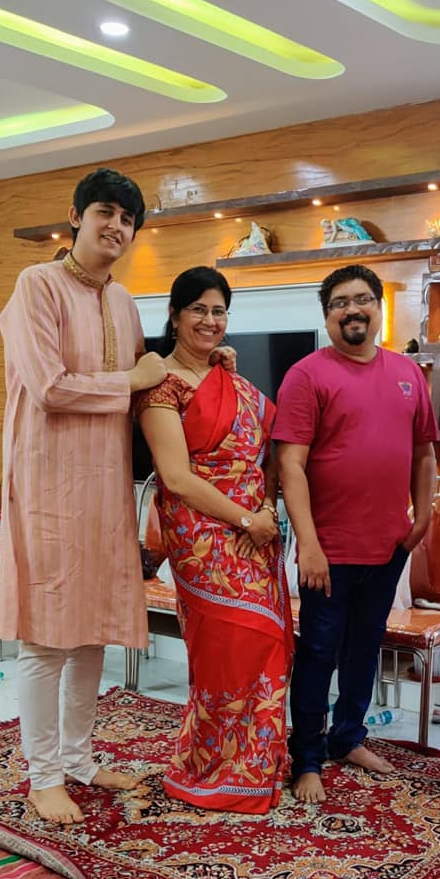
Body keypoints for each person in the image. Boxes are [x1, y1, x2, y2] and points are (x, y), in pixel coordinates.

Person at [0, 168, 169, 825]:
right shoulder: (36, 284)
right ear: (76, 217)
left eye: (128, 219)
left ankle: (77, 758)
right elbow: (49, 386)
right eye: (105, 212)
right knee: (46, 638)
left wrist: (201, 370)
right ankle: (43, 776)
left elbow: (146, 386)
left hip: (105, 487)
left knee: (92, 631)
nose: (116, 227)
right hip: (47, 483)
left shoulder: (123, 302)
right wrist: (133, 379)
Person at [273, 264, 438, 803]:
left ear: (378, 308)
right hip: (328, 550)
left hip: (388, 545)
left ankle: (348, 737)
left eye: (362, 299)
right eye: (340, 302)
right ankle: (307, 758)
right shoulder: (307, 375)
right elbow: (290, 464)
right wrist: (308, 544)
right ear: (327, 316)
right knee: (319, 652)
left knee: (366, 648)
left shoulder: (407, 373)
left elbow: (423, 453)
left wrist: (423, 514)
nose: (353, 309)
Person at [136, 266, 294, 814]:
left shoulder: (236, 382)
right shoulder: (161, 386)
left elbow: (269, 455)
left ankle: (255, 765)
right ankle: (211, 767)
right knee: (228, 648)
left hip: (257, 530)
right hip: (201, 535)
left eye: (219, 310)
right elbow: (176, 478)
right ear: (175, 315)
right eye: (198, 309)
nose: (209, 320)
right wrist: (247, 521)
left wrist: (267, 511)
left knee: (267, 644)